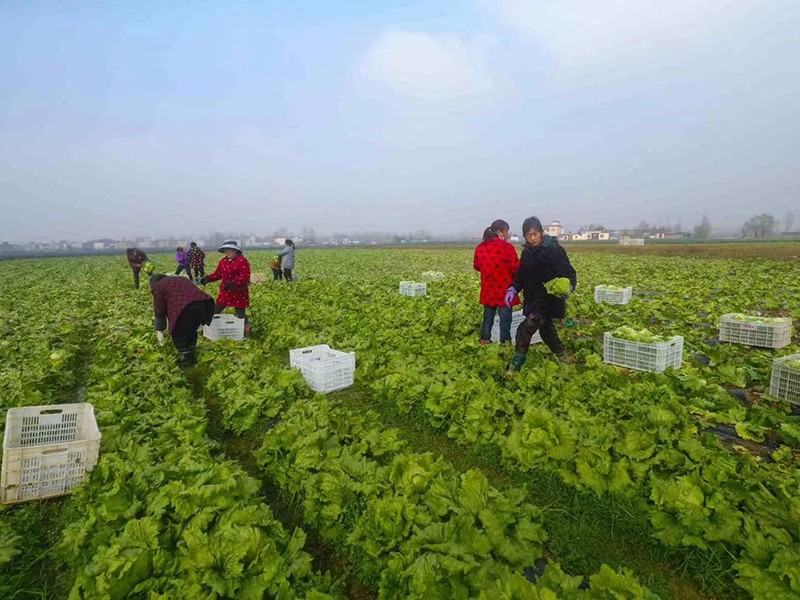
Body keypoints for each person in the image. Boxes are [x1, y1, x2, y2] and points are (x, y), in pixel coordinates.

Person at [505, 217, 577, 372]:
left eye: (535, 234)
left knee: (526, 328)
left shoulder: (554, 250)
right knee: (546, 330)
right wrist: (513, 289)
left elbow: (569, 273)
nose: (532, 238)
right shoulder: (527, 253)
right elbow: (521, 276)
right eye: (528, 235)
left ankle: (515, 367)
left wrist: (569, 286)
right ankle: (563, 356)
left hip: (549, 300)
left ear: (541, 232)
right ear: (524, 235)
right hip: (533, 298)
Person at [149, 274, 215, 366]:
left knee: (178, 333)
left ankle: (186, 360)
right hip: (202, 304)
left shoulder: (158, 286)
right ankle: (192, 352)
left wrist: (160, 330)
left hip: (184, 308)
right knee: (192, 330)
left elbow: (159, 310)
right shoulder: (180, 279)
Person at [473, 219, 520, 344]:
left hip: (488, 288)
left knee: (488, 317)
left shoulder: (481, 247)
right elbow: (516, 268)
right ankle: (504, 344)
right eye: (506, 231)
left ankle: (484, 340)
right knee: (505, 319)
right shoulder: (507, 247)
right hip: (505, 289)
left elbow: (477, 266)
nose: (507, 234)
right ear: (499, 232)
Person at [199, 240, 251, 335]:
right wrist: (208, 279)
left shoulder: (242, 261)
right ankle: (207, 330)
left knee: (240, 314)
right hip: (225, 291)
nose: (228, 252)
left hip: (238, 292)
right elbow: (218, 274)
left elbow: (245, 276)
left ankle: (246, 331)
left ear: (235, 251)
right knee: (215, 310)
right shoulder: (223, 261)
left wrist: (233, 283)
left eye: (230, 250)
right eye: (226, 250)